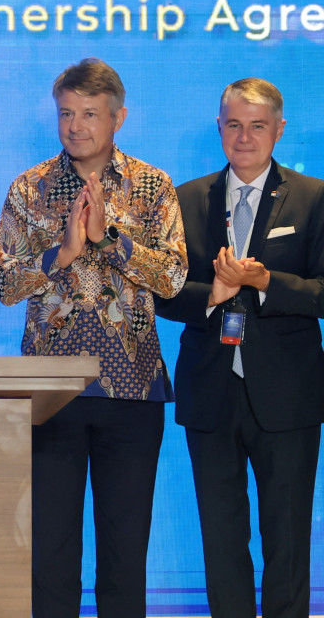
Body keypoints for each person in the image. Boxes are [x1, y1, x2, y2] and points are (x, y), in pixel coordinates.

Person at [0, 57, 186, 618]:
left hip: (132, 393)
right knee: (50, 557)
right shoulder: (31, 188)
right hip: (51, 397)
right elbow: (4, 284)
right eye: (66, 113)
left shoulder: (152, 187)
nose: (76, 125)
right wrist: (65, 253)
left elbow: (173, 277)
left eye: (90, 114)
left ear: (119, 117)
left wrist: (110, 240)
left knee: (124, 558)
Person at [155, 78, 324, 618]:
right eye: (233, 124)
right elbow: (163, 292)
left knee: (288, 539)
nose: (244, 137)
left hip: (288, 396)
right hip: (211, 391)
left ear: (278, 130)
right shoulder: (185, 199)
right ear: (219, 128)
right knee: (221, 541)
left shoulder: (313, 197)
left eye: (256, 126)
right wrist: (217, 294)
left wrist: (267, 282)